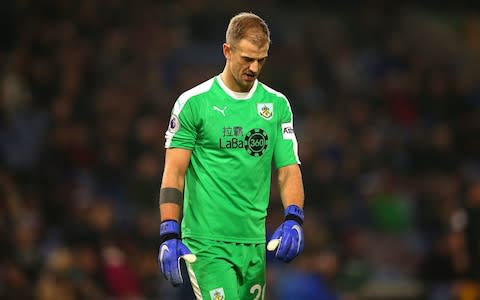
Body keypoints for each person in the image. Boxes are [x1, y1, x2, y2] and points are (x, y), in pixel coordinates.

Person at [157, 12, 305, 300]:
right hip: (207, 243)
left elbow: (288, 169)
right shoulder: (194, 103)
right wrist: (168, 232)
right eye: (247, 58)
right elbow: (174, 171)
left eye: (261, 60)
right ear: (227, 50)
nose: (254, 67)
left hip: (253, 243)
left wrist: (294, 218)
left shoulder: (276, 105)